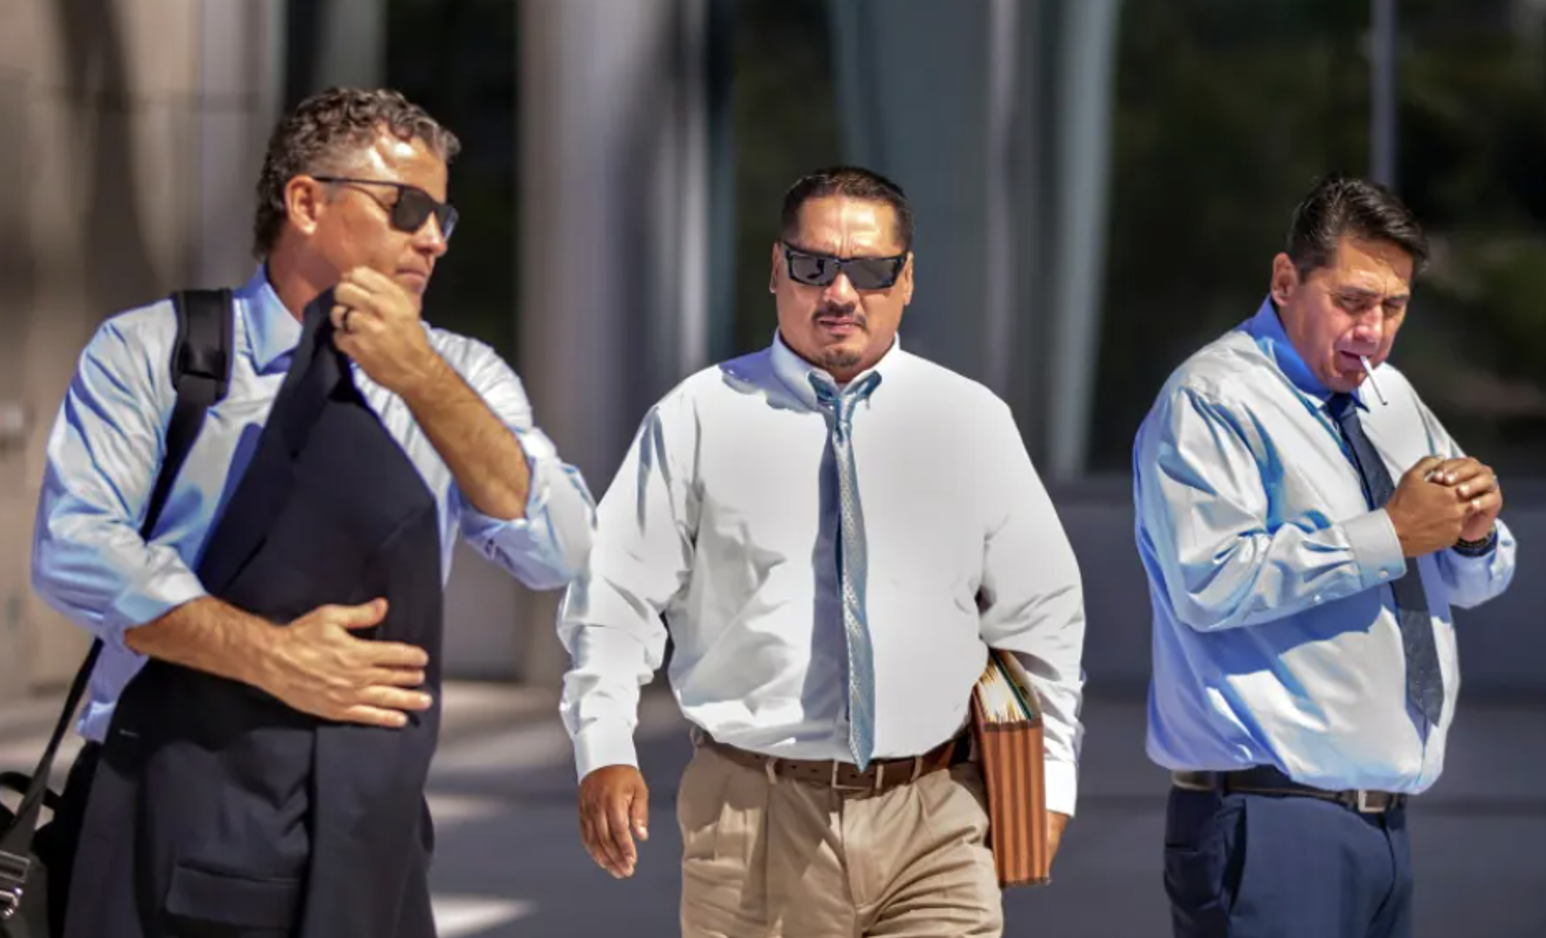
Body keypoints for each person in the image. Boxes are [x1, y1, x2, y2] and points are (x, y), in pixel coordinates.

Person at [30, 87, 595, 938]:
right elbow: (76, 549)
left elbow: (564, 551)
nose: (434, 238)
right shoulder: (158, 350)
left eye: (443, 216)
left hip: (370, 818)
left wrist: (421, 378)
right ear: (305, 202)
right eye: (407, 208)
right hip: (168, 794)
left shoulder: (461, 375)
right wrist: (272, 657)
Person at [557, 165, 1087, 937]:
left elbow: (1041, 616)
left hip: (936, 818)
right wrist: (604, 745)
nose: (840, 292)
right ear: (777, 269)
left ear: (907, 280)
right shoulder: (696, 418)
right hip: (755, 824)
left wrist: (1051, 778)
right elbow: (613, 600)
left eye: (870, 271)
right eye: (814, 265)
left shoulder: (970, 420)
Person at [1134, 174, 1518, 938]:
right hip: (1267, 823)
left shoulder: (1391, 398)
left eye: (1393, 307)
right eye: (1352, 301)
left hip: (1382, 828)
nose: (1372, 330)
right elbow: (1209, 581)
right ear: (1285, 282)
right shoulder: (1211, 400)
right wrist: (1391, 534)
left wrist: (1475, 533)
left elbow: (1473, 581)